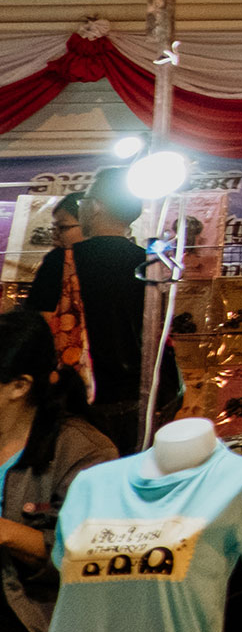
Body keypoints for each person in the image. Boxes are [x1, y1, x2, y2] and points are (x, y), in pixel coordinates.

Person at [0, 306, 115, 632]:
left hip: (28, 612)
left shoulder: (84, 453)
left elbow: (96, 561)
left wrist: (7, 533)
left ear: (19, 386)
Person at [26, 169, 148, 455]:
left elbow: (40, 328)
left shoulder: (61, 262)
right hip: (141, 397)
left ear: (95, 207)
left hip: (79, 398)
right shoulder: (150, 262)